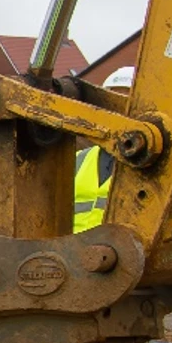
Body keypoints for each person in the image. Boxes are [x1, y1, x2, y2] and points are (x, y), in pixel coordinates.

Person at [74, 65, 134, 232]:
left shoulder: (146, 168)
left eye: (125, 103)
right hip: (70, 254)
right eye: (113, 103)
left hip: (119, 255)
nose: (118, 113)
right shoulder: (79, 160)